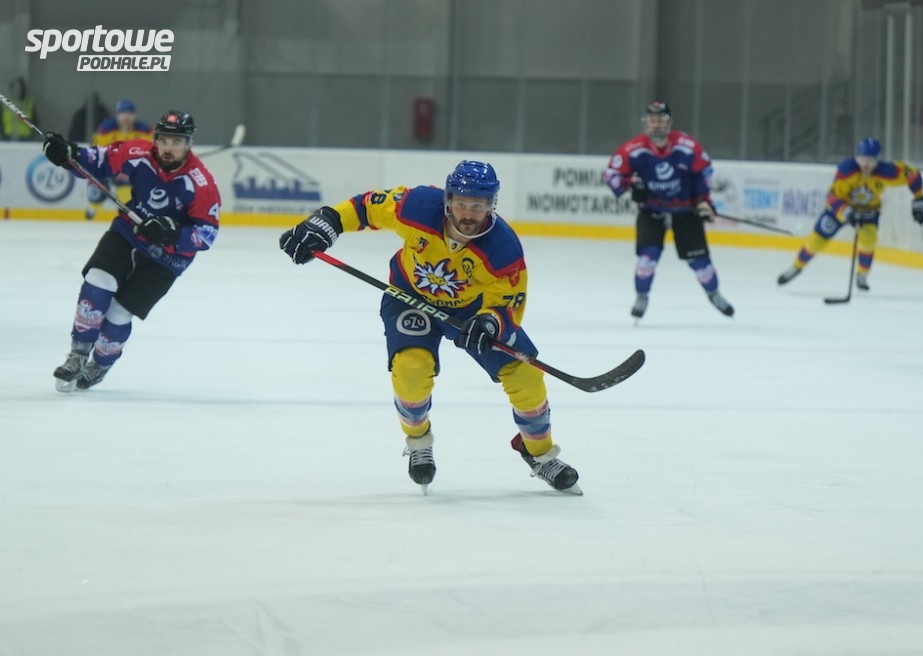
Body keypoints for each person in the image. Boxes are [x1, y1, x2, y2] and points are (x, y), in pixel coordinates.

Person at [278, 160, 581, 495]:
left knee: (526, 378)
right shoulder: (418, 206)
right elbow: (367, 207)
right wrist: (327, 222)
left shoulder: (503, 249)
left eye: (477, 206)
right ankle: (419, 441)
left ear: (491, 205)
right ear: (448, 199)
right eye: (461, 203)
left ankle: (539, 454)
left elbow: (508, 304)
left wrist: (490, 321)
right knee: (411, 369)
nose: (468, 214)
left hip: (471, 313)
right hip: (409, 298)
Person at [41, 110, 221, 391]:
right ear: (156, 139)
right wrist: (69, 155)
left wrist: (174, 233)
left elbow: (207, 234)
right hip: (130, 232)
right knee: (97, 281)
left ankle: (101, 365)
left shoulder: (201, 184)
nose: (168, 148)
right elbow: (98, 161)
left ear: (189, 144)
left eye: (177, 142)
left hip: (169, 257)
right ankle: (77, 354)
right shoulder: (138, 152)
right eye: (164, 140)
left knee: (118, 314)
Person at [604, 101, 733, 321]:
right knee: (647, 258)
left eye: (661, 120)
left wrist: (703, 200)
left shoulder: (687, 147)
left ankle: (714, 293)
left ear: (669, 123)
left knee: (700, 262)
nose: (656, 125)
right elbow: (611, 175)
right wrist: (630, 184)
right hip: (651, 210)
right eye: (652, 120)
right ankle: (642, 296)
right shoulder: (633, 150)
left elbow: (705, 171)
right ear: (646, 123)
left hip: (685, 210)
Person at [776, 137, 923, 291]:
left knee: (868, 240)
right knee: (817, 239)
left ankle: (862, 275)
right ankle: (796, 266)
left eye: (870, 160)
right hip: (839, 209)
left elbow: (913, 174)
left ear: (878, 160)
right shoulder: (846, 170)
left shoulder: (888, 172)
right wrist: (848, 213)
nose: (865, 164)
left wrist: (919, 198)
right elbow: (833, 197)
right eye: (862, 159)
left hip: (869, 210)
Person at [85, 99, 154, 219]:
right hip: (107, 164)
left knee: (126, 193)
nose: (126, 117)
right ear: (117, 115)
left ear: (134, 115)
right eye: (122, 113)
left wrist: (129, 169)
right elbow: (97, 151)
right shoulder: (106, 128)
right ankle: (92, 208)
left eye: (129, 113)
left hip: (130, 167)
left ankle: (128, 216)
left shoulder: (144, 130)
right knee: (95, 191)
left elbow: (149, 152)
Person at [2, 77, 37, 141]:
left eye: (21, 88)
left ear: (24, 89)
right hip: (7, 137)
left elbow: (35, 123)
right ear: (11, 89)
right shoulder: (5, 103)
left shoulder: (30, 104)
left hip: (26, 138)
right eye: (16, 88)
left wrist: (32, 136)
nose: (19, 91)